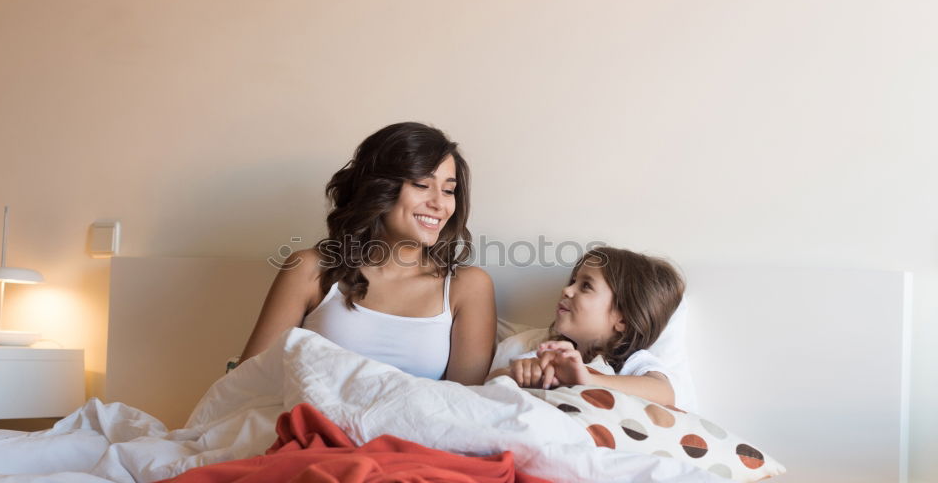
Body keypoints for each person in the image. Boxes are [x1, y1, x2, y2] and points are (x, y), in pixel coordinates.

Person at [239, 122, 496, 385]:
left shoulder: (467, 287)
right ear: (379, 188)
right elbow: (245, 384)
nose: (439, 204)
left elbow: (467, 405)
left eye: (449, 190)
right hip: (307, 423)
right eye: (421, 185)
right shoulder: (311, 269)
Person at [486, 246, 694, 409]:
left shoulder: (630, 362)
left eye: (586, 286)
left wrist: (587, 379)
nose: (566, 290)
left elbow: (664, 393)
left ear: (623, 320)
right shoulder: (548, 353)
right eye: (573, 281)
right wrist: (519, 373)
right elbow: (487, 385)